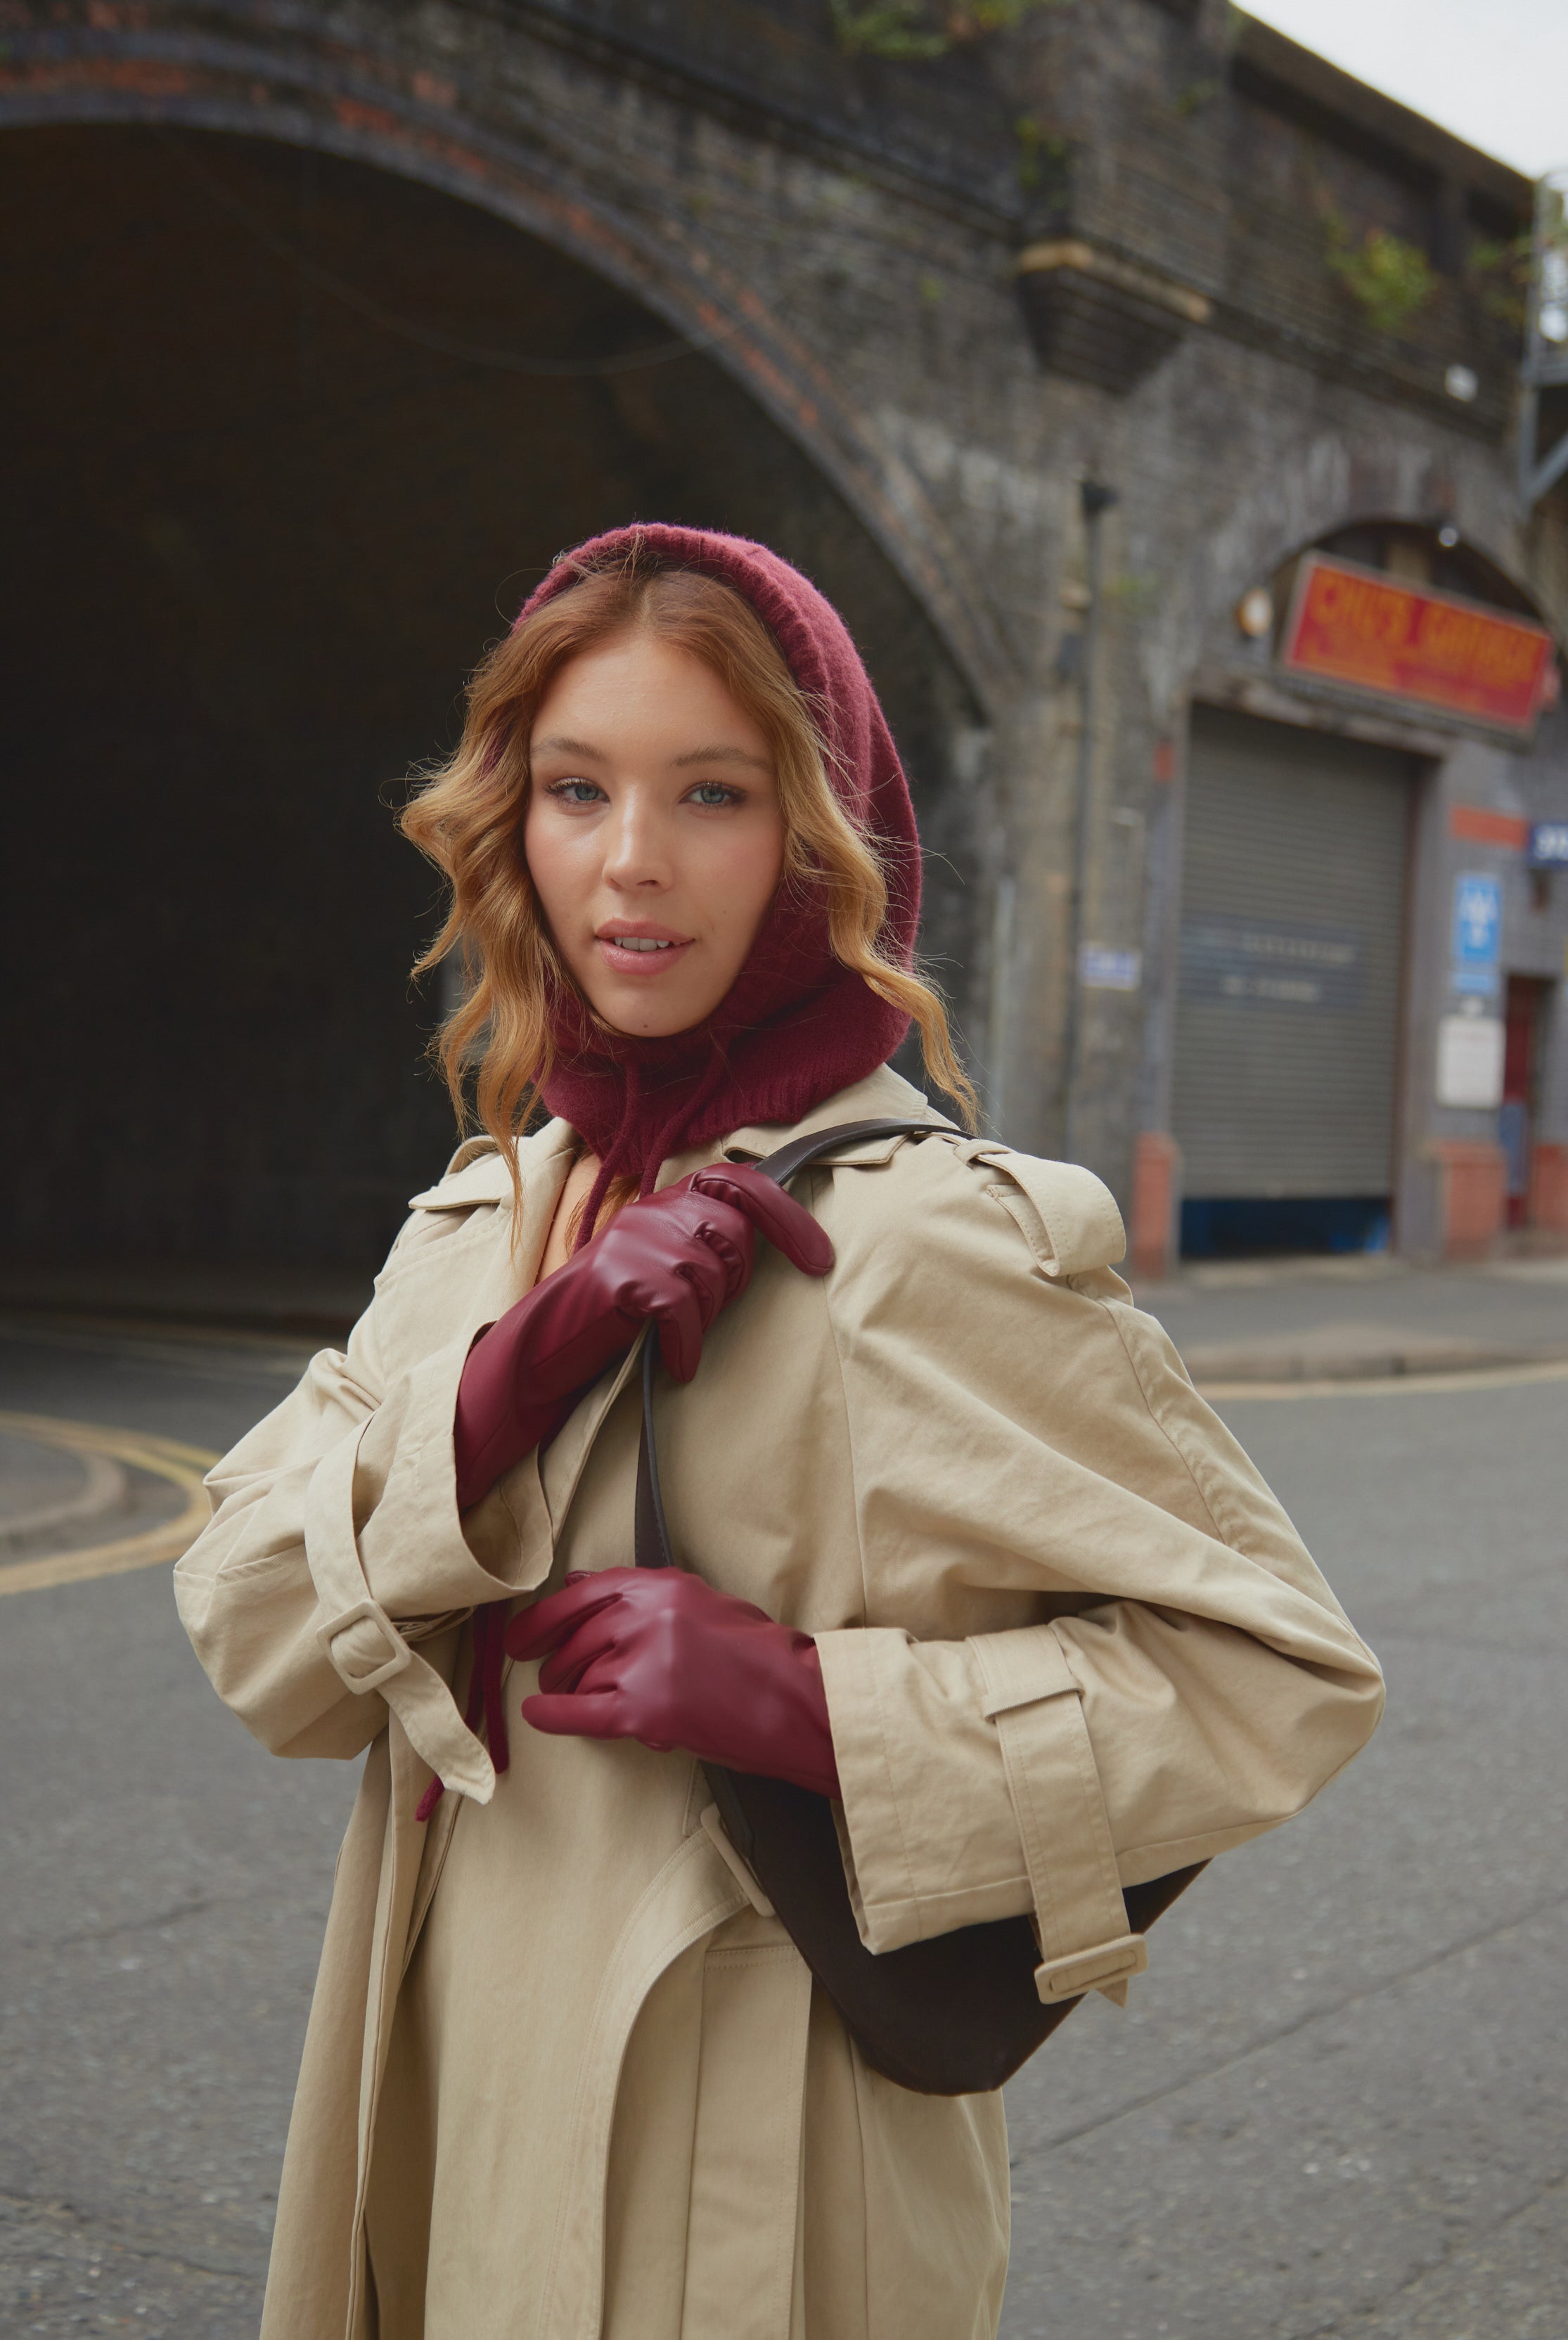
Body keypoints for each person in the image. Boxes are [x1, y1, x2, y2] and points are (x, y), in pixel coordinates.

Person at [175, 525, 1383, 2340]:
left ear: (816, 840)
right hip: (433, 2092)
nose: (631, 865)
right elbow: (258, 1642)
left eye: (713, 794)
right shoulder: (480, 1223)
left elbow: (1279, 1678)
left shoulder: (922, 1233)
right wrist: (523, 1371)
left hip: (742, 2162)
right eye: (577, 788)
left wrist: (803, 1706)